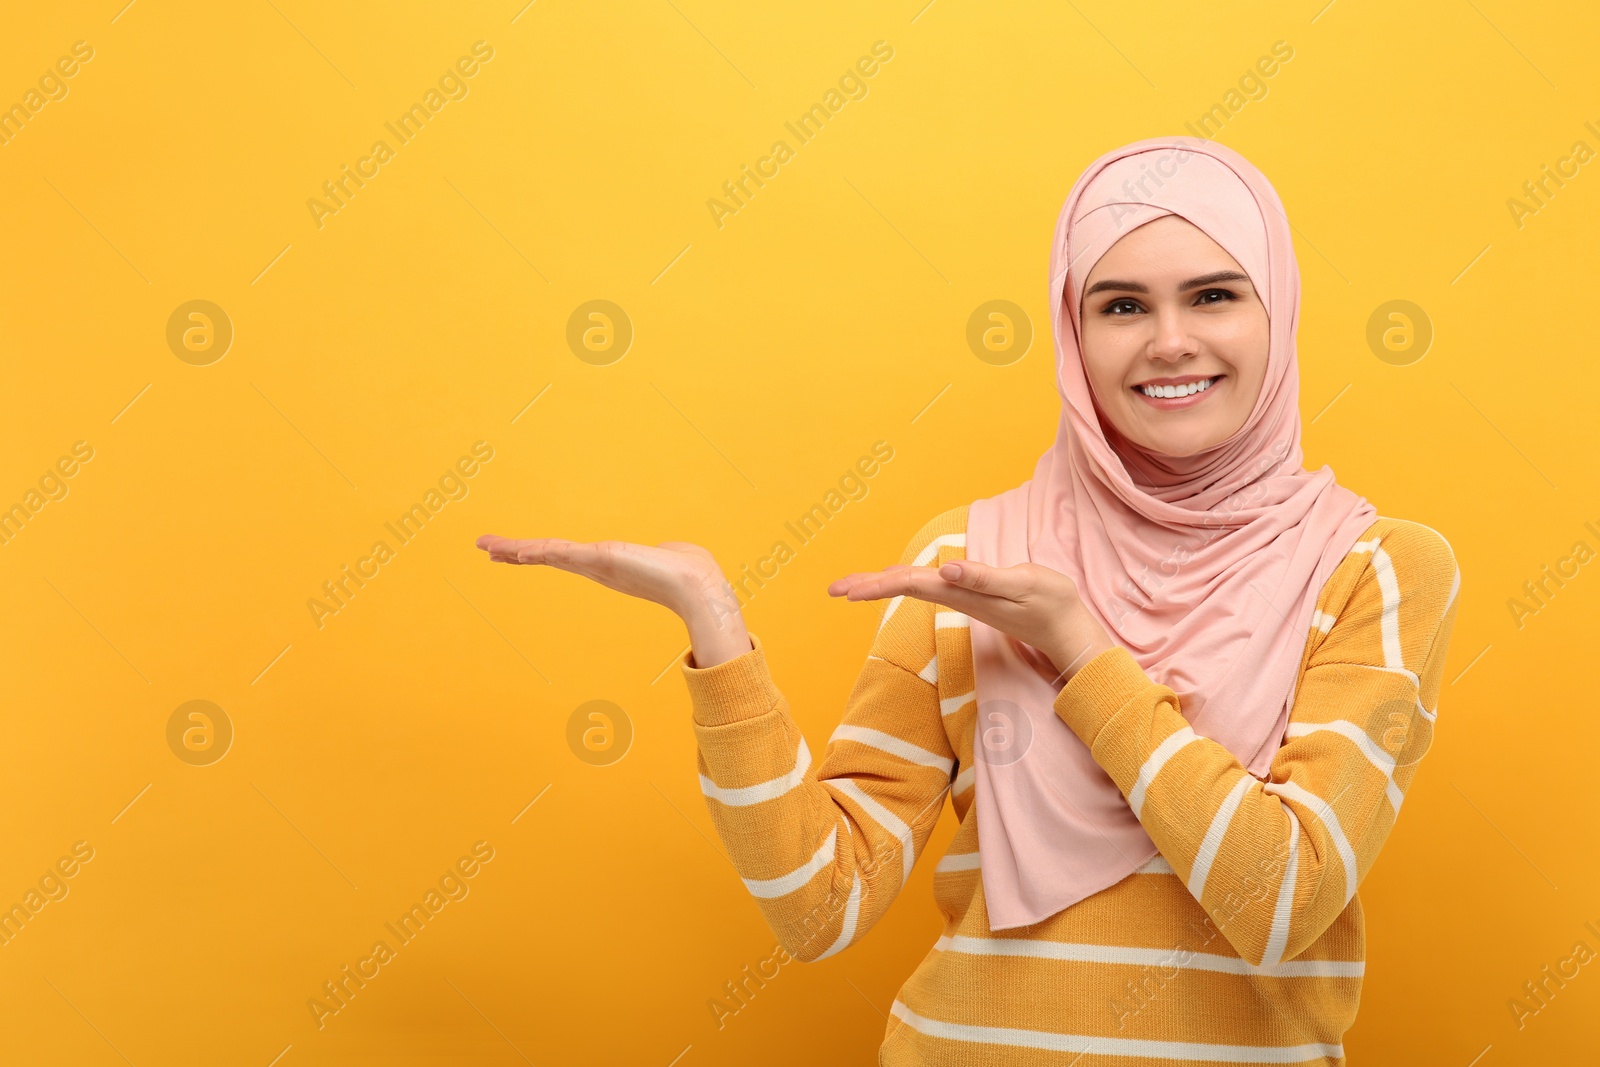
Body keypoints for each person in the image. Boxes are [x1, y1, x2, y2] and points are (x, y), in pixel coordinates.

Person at [476, 135, 1460, 1065]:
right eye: (1118, 305)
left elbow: (1278, 893)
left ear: (1276, 309)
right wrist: (716, 635)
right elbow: (820, 905)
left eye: (1212, 294)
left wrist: (1078, 646)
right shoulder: (967, 562)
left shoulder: (1374, 567)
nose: (1168, 341)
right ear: (1073, 332)